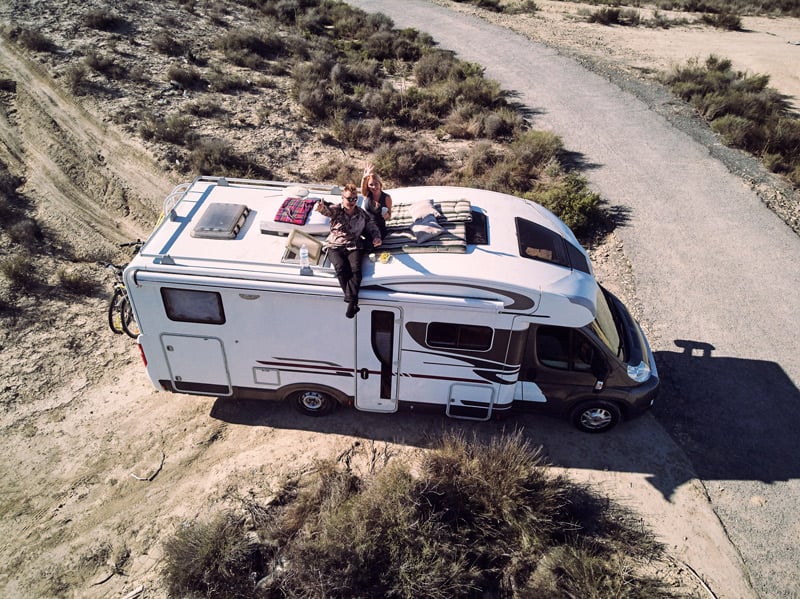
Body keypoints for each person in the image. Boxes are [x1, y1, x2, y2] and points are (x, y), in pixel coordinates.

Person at [316, 183, 383, 318]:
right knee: (341, 268)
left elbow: (371, 226)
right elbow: (327, 211)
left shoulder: (361, 214)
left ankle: (350, 302)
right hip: (335, 245)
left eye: (354, 199)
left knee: (356, 271)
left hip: (354, 245)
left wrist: (376, 237)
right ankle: (353, 301)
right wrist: (321, 208)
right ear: (342, 198)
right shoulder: (337, 210)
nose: (351, 202)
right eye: (348, 199)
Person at [360, 164, 393, 239]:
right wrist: (365, 177)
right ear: (368, 186)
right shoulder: (367, 194)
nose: (374, 187)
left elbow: (389, 215)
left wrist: (387, 215)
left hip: (379, 227)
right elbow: (362, 188)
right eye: (371, 185)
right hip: (366, 226)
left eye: (376, 184)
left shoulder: (386, 198)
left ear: (380, 184)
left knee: (371, 242)